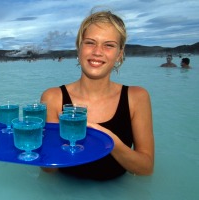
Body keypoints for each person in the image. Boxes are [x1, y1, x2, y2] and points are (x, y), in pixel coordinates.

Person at [40, 9, 154, 180]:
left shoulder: (136, 97)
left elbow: (145, 168)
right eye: (90, 42)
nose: (97, 52)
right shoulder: (53, 97)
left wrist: (111, 142)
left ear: (119, 54)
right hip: (65, 190)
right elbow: (49, 170)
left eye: (109, 45)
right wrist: (42, 143)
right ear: (79, 48)